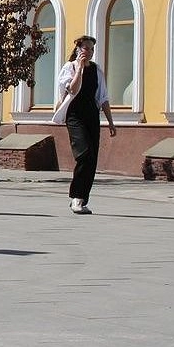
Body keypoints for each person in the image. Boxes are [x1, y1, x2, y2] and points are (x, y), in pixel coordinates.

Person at [57, 36, 117, 214]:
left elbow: (103, 98)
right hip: (74, 115)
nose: (89, 52)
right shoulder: (69, 67)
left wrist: (111, 122)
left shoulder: (97, 70)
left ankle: (82, 199)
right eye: (86, 48)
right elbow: (73, 89)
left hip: (91, 115)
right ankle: (76, 197)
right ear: (78, 49)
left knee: (92, 158)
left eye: (91, 49)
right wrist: (79, 69)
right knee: (84, 153)